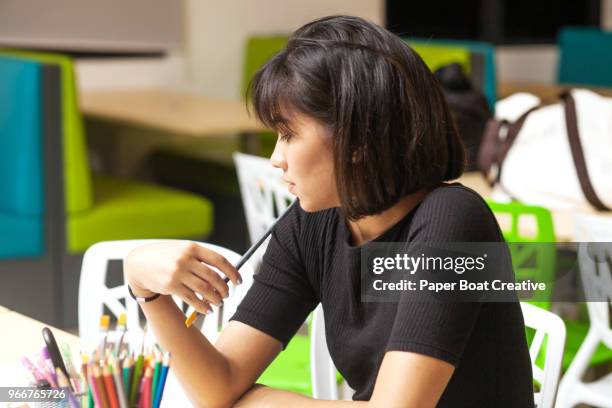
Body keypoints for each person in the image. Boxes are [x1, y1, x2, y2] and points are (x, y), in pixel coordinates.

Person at [124, 15, 534, 408]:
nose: (275, 158)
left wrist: (260, 400)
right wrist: (146, 288)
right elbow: (218, 388)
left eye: (287, 135)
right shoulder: (311, 222)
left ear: (358, 141)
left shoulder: (453, 221)